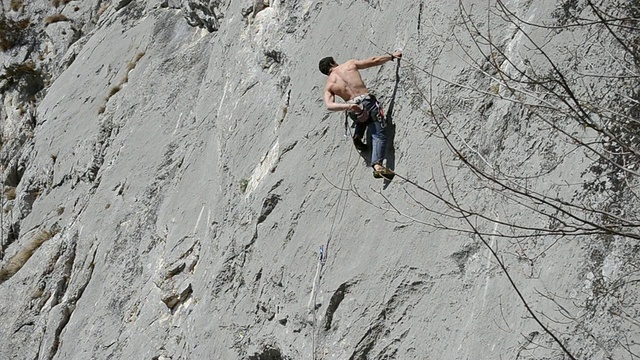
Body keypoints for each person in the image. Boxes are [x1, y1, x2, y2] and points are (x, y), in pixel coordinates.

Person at [319, 52, 402, 180]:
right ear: (332, 63)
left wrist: (348, 106)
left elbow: (329, 105)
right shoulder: (349, 65)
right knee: (379, 134)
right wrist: (392, 56)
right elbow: (374, 60)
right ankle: (377, 166)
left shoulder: (329, 85)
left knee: (359, 116)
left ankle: (358, 134)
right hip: (367, 102)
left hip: (354, 108)